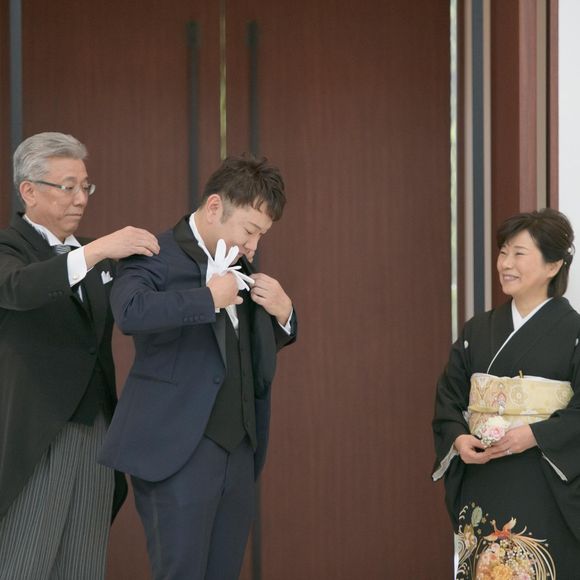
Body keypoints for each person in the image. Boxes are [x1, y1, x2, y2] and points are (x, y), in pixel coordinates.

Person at [98, 154, 297, 580]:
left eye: (261, 235)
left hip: (239, 451)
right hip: (175, 452)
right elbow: (130, 312)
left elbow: (246, 348)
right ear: (213, 207)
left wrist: (285, 315)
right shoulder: (153, 253)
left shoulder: (242, 266)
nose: (253, 246)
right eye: (250, 231)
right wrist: (208, 299)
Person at [0, 132, 160, 579]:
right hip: (36, 436)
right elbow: (20, 289)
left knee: (83, 566)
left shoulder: (96, 257)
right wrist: (97, 251)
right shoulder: (10, 249)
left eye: (85, 186)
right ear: (29, 190)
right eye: (67, 186)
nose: (80, 198)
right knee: (24, 565)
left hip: (98, 431)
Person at [432, 208, 580, 578]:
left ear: (553, 265)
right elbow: (449, 397)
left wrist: (535, 434)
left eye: (519, 253)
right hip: (484, 478)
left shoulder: (574, 333)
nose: (505, 263)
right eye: (503, 252)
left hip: (543, 484)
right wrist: (459, 438)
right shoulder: (477, 330)